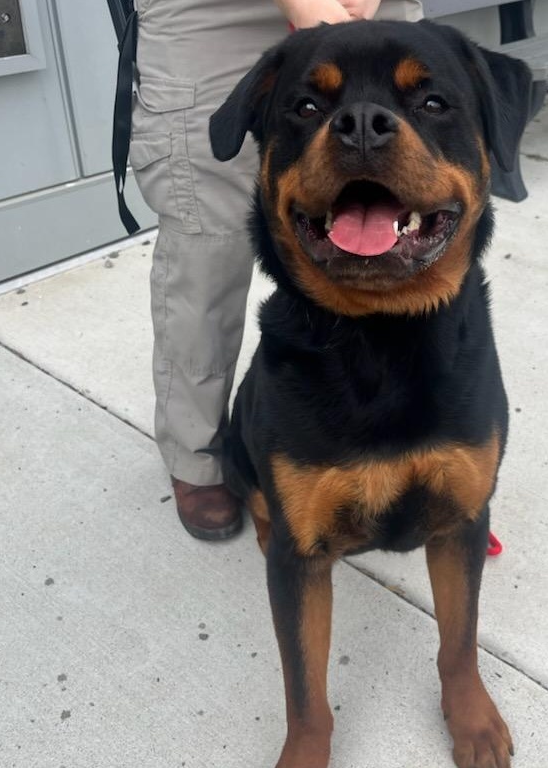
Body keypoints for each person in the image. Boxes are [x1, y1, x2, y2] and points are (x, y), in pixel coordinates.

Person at [130, 0, 423, 540]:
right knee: (207, 248)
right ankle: (197, 455)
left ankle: (405, 443)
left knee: (399, 230)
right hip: (215, 14)